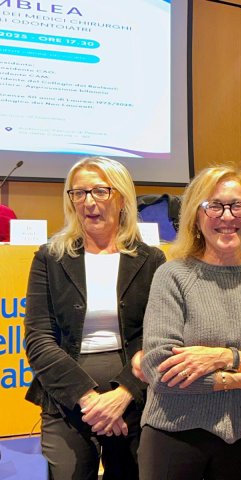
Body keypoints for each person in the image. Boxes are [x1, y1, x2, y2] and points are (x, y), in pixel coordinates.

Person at [137, 165, 241, 480]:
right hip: (173, 435)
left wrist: (225, 357)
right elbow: (160, 369)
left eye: (237, 205)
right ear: (196, 216)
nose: (227, 216)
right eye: (214, 206)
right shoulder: (172, 276)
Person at [24, 156, 166, 479]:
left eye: (100, 191)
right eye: (79, 193)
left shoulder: (151, 260)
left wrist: (123, 394)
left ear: (122, 198)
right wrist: (90, 401)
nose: (89, 202)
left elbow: (157, 336)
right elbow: (38, 338)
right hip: (66, 394)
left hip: (134, 394)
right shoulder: (50, 257)